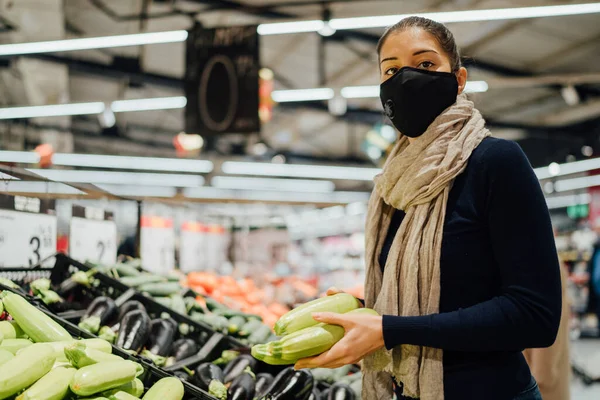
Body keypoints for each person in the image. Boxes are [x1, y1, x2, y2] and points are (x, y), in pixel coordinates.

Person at [293, 16, 562, 400]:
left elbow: (535, 316)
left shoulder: (496, 162)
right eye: (392, 70)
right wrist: (370, 307)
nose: (407, 79)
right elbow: (444, 295)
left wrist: (389, 330)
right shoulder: (395, 182)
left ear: (459, 78)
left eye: (425, 65)